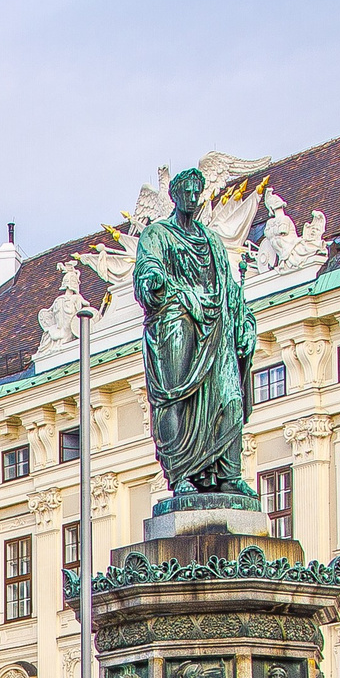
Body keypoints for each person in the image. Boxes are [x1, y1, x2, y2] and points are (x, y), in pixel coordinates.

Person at [134, 166, 259, 504]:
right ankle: (181, 474)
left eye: (196, 192)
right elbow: (148, 266)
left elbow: (229, 288)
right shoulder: (158, 234)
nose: (192, 198)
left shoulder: (212, 242)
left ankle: (229, 474)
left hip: (217, 328)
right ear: (174, 196)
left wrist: (245, 323)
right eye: (186, 192)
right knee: (176, 398)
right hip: (177, 322)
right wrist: (153, 279)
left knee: (230, 399)